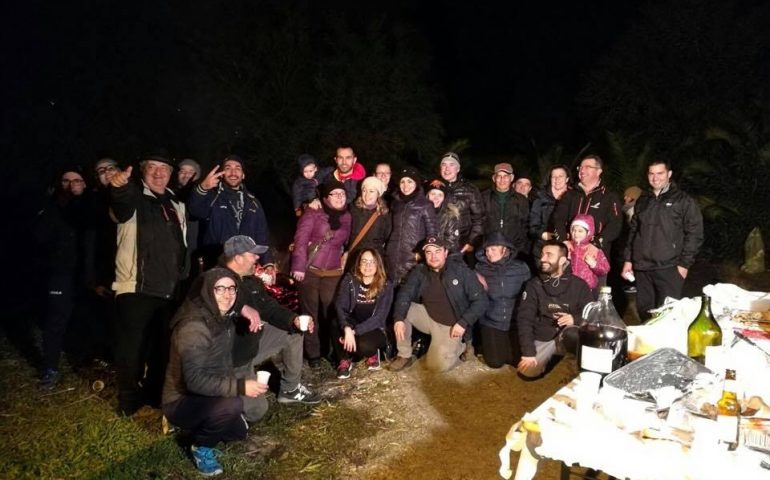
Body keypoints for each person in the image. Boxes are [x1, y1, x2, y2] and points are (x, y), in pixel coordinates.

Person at [110, 150, 188, 415]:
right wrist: (118, 187)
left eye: (164, 168)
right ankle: (128, 398)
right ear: (143, 170)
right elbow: (119, 207)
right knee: (132, 347)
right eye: (152, 167)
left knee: (162, 346)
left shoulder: (176, 203)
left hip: (168, 289)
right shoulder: (132, 196)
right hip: (136, 286)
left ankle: (155, 392)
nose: (158, 173)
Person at [162, 268, 260, 476]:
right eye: (220, 289)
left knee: (238, 434)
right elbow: (195, 381)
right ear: (207, 291)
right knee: (231, 405)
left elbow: (222, 362)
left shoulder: (221, 318)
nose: (228, 294)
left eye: (232, 288)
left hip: (208, 392)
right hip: (180, 399)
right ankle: (200, 448)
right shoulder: (193, 327)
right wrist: (240, 386)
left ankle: (203, 425)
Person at [220, 235, 321, 407]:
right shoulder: (215, 283)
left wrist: (294, 319)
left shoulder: (251, 281)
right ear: (238, 258)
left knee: (294, 332)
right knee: (256, 410)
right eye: (253, 254)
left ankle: (290, 389)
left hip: (252, 343)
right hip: (230, 356)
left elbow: (269, 308)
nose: (258, 258)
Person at [390, 237, 488, 372]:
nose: (433, 256)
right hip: (428, 318)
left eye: (437, 251)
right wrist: (399, 318)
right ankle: (405, 355)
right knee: (403, 310)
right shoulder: (420, 271)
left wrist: (463, 322)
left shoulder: (461, 271)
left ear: (446, 253)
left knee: (435, 366)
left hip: (452, 326)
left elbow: (481, 300)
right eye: (429, 252)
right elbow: (404, 294)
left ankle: (461, 346)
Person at [622, 159, 703, 320]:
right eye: (651, 173)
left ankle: (667, 345)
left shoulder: (683, 200)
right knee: (645, 313)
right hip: (643, 267)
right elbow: (634, 231)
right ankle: (649, 345)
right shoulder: (643, 200)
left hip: (669, 268)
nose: (655, 177)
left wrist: (684, 264)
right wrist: (628, 260)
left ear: (669, 174)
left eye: (660, 173)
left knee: (667, 315)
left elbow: (695, 233)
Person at [35, 166, 91, 388]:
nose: (72, 184)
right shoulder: (52, 206)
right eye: (66, 181)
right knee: (56, 320)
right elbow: (40, 236)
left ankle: (86, 364)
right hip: (60, 273)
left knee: (87, 319)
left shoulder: (92, 205)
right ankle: (50, 367)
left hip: (88, 274)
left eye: (76, 180)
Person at [291, 180, 351, 366]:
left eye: (342, 193)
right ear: (325, 198)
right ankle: (313, 354)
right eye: (335, 194)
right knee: (310, 313)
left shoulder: (348, 216)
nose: (340, 197)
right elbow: (300, 240)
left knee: (332, 312)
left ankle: (332, 349)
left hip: (333, 271)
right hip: (310, 269)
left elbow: (348, 241)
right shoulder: (313, 212)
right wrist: (298, 266)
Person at [516, 241, 593, 378]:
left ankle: (578, 361)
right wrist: (528, 351)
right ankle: (553, 358)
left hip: (571, 335)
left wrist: (574, 319)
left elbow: (592, 313)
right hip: (545, 335)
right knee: (527, 372)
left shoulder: (579, 285)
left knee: (575, 333)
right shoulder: (534, 285)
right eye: (542, 255)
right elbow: (524, 319)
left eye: (549, 255)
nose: (543, 259)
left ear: (562, 260)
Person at [188, 154, 273, 267]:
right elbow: (194, 211)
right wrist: (202, 188)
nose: (233, 173)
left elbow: (262, 233)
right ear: (222, 174)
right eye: (228, 168)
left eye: (237, 168)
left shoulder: (253, 202)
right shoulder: (213, 196)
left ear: (243, 175)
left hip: (246, 264)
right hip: (217, 263)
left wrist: (267, 263)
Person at [333, 249, 394, 379]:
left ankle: (371, 354)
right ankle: (344, 360)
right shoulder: (349, 279)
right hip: (352, 322)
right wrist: (346, 327)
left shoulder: (386, 285)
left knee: (364, 346)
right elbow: (340, 306)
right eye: (364, 261)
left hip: (374, 328)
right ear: (358, 264)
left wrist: (353, 332)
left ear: (378, 265)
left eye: (372, 262)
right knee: (334, 322)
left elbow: (379, 318)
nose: (368, 266)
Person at [474, 232, 530, 368]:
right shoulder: (480, 268)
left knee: (517, 361)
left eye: (493, 249)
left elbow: (529, 294)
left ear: (505, 249)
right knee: (495, 362)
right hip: (491, 321)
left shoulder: (521, 267)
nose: (489, 253)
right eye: (486, 250)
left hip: (515, 321)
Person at [550, 155, 622, 258]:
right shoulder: (569, 194)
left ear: (599, 171)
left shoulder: (610, 196)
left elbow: (615, 225)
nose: (582, 170)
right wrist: (564, 241)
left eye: (587, 167)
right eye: (580, 167)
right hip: (570, 254)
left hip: (595, 257)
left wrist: (597, 244)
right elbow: (558, 219)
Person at [385, 167, 437, 285]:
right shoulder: (395, 203)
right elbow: (390, 229)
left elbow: (432, 232)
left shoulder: (425, 204)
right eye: (402, 181)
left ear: (416, 183)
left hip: (413, 257)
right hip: (392, 256)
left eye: (410, 181)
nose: (405, 185)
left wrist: (422, 253)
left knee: (409, 291)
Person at [439, 152, 485, 257]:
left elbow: (479, 218)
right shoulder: (432, 187)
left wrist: (471, 242)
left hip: (460, 247)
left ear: (458, 169)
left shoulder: (470, 189)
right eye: (444, 165)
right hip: (436, 247)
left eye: (451, 165)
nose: (447, 169)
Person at [480, 162, 529, 255]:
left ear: (512, 178)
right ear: (494, 178)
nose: (502, 180)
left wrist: (518, 249)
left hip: (513, 250)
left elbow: (524, 226)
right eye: (499, 176)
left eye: (506, 176)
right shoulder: (483, 197)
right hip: (489, 250)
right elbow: (479, 223)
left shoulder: (521, 200)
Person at [528, 164, 570, 256]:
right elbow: (532, 226)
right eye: (554, 176)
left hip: (566, 248)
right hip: (543, 248)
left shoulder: (574, 197)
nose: (557, 179)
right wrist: (541, 234)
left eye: (560, 176)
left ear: (567, 179)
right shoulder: (540, 198)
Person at [347, 176, 391, 261]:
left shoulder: (385, 215)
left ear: (378, 194)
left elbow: (387, 238)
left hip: (373, 260)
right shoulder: (352, 209)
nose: (367, 195)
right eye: (364, 190)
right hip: (353, 257)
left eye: (371, 191)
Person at [565, 215, 610, 294]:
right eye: (573, 230)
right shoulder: (567, 246)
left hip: (587, 288)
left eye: (580, 231)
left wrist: (594, 264)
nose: (576, 233)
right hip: (568, 287)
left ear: (588, 232)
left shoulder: (593, 249)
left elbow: (605, 269)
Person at [425, 178, 463, 255]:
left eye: (440, 195)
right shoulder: (420, 212)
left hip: (442, 255)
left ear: (444, 198)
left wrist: (434, 250)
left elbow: (451, 243)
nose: (436, 198)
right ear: (427, 195)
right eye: (433, 194)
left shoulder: (450, 215)